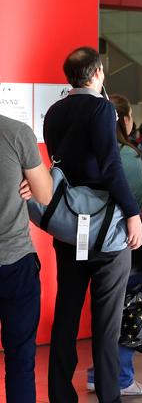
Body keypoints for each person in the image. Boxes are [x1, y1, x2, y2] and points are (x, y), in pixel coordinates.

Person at [43, 47, 142, 403]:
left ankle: (59, 393)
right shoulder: (103, 108)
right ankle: (108, 396)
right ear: (98, 72)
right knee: (106, 324)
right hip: (106, 227)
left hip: (69, 225)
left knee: (67, 314)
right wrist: (133, 213)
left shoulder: (54, 111)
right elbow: (111, 166)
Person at [86, 94, 142, 395]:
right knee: (128, 309)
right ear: (125, 120)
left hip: (89, 240)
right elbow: (139, 203)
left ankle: (96, 372)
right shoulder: (128, 156)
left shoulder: (86, 151)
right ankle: (123, 377)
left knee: (102, 310)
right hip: (124, 242)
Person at [1, 113, 52, 403]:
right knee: (20, 360)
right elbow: (45, 196)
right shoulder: (16, 132)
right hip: (15, 262)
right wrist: (30, 180)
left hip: (16, 262)